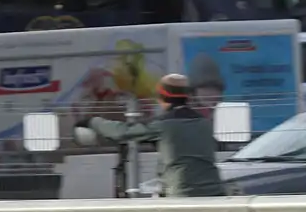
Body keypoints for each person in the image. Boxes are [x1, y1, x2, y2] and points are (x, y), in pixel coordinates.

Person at [75, 73, 224, 198]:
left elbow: (122, 132)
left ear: (162, 97)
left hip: (182, 193)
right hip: (215, 192)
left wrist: (93, 121)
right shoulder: (204, 123)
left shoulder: (162, 124)